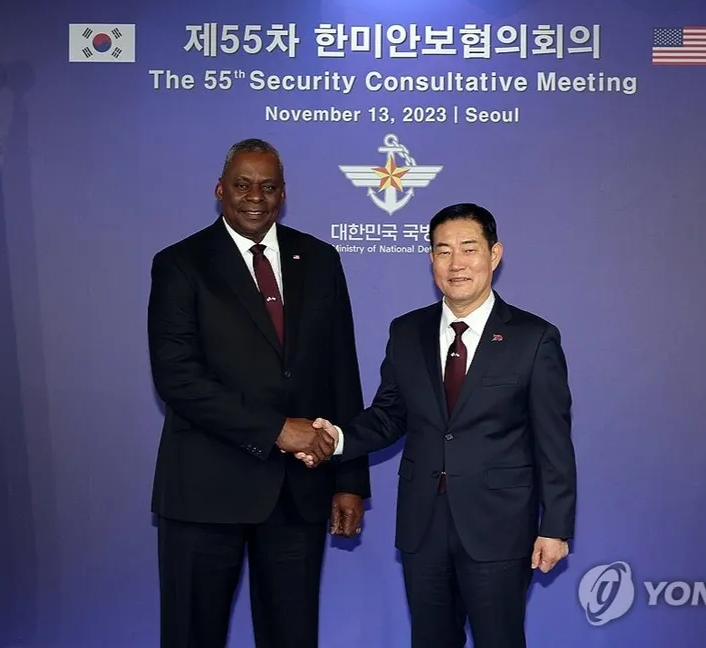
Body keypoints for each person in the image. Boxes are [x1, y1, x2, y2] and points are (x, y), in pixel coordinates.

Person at [298, 203, 577, 648]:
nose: (456, 263)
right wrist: (337, 438)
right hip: (423, 526)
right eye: (443, 251)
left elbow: (554, 441)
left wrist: (555, 527)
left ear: (494, 254)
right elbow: (389, 414)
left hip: (499, 528)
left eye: (469, 248)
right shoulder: (407, 331)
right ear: (431, 259)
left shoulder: (534, 338)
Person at [147, 138, 371, 648]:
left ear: (283, 194)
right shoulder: (181, 263)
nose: (255, 197)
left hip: (297, 495)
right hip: (205, 493)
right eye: (242, 185)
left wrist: (350, 480)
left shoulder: (320, 260)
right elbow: (177, 378)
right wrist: (276, 431)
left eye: (268, 187)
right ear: (220, 190)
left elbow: (342, 372)